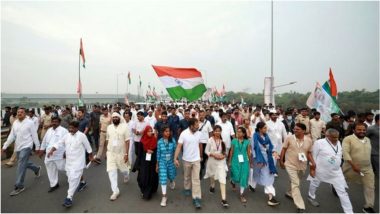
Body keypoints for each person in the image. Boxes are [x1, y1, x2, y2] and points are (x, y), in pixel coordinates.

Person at [47, 121, 94, 207]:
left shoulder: (82, 136)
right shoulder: (67, 136)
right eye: (69, 128)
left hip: (78, 162)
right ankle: (82, 182)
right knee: (70, 177)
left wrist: (91, 156)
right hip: (69, 162)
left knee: (74, 178)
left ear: (77, 128)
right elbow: (59, 143)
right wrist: (52, 150)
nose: (70, 129)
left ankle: (69, 198)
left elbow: (88, 147)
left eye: (72, 128)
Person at [307, 129, 353, 213]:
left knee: (343, 192)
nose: (336, 139)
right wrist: (312, 169)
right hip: (320, 170)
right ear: (327, 136)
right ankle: (311, 196)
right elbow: (313, 156)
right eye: (334, 137)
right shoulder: (319, 143)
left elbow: (338, 155)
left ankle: (349, 212)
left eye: (337, 137)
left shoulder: (338, 142)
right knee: (314, 184)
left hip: (336, 173)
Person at [2, 108, 42, 196]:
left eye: (21, 112)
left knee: (21, 165)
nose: (19, 113)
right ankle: (36, 168)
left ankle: (19, 185)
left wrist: (38, 147)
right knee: (24, 162)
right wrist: (4, 146)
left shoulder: (29, 123)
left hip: (27, 146)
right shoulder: (15, 123)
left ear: (25, 114)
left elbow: (34, 135)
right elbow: (12, 136)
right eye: (18, 112)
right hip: (18, 147)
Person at [279, 123, 315, 213]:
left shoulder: (309, 140)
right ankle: (300, 205)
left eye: (297, 129)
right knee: (296, 183)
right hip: (290, 164)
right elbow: (284, 149)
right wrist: (281, 161)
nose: (295, 130)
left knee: (296, 181)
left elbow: (309, 152)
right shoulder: (289, 138)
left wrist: (313, 162)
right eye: (294, 129)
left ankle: (290, 192)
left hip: (302, 165)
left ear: (303, 131)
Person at [342, 123, 376, 213]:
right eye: (359, 130)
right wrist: (353, 165)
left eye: (364, 130)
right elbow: (345, 153)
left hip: (367, 168)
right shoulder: (348, 139)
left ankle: (368, 206)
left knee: (370, 187)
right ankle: (335, 186)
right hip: (350, 167)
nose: (362, 132)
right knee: (342, 182)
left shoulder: (367, 139)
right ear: (354, 130)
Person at [174, 118, 203, 209]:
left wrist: (201, 156)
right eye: (196, 125)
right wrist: (175, 158)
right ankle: (187, 188)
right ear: (191, 126)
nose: (198, 127)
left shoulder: (199, 133)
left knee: (196, 179)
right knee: (186, 176)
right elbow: (179, 146)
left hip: (196, 160)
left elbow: (200, 145)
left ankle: (196, 198)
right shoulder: (184, 133)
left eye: (198, 125)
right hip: (186, 159)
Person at [251, 122, 280, 206]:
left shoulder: (266, 136)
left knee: (266, 176)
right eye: (264, 128)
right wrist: (258, 160)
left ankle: (270, 198)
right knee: (257, 174)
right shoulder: (255, 137)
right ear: (260, 129)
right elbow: (253, 149)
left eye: (266, 128)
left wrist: (274, 152)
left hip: (268, 159)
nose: (266, 129)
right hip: (259, 159)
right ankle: (252, 185)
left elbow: (270, 146)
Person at [105, 112, 130, 201]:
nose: (115, 118)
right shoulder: (109, 127)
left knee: (124, 170)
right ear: (112, 119)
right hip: (111, 153)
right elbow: (107, 139)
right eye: (113, 117)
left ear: (119, 118)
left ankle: (126, 175)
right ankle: (115, 191)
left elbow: (127, 141)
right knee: (111, 172)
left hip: (121, 153)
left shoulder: (125, 127)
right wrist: (106, 152)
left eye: (116, 117)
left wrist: (126, 154)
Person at [40, 116, 68, 193]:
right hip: (49, 154)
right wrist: (41, 150)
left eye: (56, 121)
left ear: (59, 122)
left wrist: (66, 152)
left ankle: (73, 177)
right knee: (50, 169)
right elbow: (44, 141)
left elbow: (67, 142)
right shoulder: (49, 130)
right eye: (53, 121)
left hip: (59, 154)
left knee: (63, 168)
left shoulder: (64, 131)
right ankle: (54, 184)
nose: (54, 123)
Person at [204, 125, 229, 207]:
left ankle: (224, 199)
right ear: (213, 132)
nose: (217, 132)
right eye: (216, 131)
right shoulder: (210, 140)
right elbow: (206, 151)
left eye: (219, 131)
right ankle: (212, 185)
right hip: (212, 161)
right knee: (212, 175)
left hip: (221, 161)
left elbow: (225, 152)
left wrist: (223, 156)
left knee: (222, 179)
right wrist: (212, 155)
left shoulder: (223, 141)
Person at [229, 127, 252, 203]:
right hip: (235, 161)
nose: (238, 133)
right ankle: (232, 181)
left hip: (244, 161)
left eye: (240, 132)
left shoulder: (247, 142)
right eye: (237, 132)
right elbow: (231, 152)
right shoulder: (234, 141)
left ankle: (241, 195)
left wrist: (250, 162)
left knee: (243, 177)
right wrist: (229, 161)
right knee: (236, 176)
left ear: (244, 133)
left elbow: (248, 152)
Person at [156, 125, 177, 207]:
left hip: (171, 161)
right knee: (163, 178)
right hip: (162, 162)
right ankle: (164, 197)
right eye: (166, 131)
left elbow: (176, 151)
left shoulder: (173, 141)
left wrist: (176, 160)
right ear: (162, 132)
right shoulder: (159, 142)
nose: (168, 133)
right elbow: (158, 154)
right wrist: (157, 165)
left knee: (171, 176)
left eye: (169, 131)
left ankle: (171, 181)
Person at [137, 126, 159, 200]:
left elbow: (157, 151)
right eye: (148, 131)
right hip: (144, 162)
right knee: (142, 177)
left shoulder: (154, 140)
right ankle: (144, 190)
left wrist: (157, 162)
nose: (150, 133)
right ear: (145, 132)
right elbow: (139, 153)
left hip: (152, 162)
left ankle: (148, 192)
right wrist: (146, 151)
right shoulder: (142, 141)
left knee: (151, 176)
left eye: (151, 131)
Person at [198, 109, 213, 179]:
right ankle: (200, 172)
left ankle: (203, 165)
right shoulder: (196, 122)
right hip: (198, 143)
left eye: (202, 115)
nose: (201, 116)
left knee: (205, 157)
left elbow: (210, 132)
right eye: (200, 115)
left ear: (204, 115)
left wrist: (211, 141)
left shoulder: (208, 123)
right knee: (199, 158)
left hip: (206, 142)